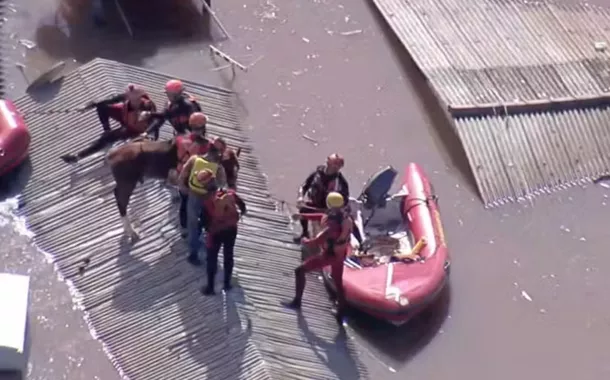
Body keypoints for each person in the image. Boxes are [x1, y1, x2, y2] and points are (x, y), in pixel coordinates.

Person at [283, 192, 353, 324]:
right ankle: (342, 312)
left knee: (300, 271)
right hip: (340, 254)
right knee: (338, 281)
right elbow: (322, 216)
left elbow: (317, 241)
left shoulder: (332, 226)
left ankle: (297, 302)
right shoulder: (343, 217)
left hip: (330, 255)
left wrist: (305, 241)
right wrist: (303, 215)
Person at [60, 84, 157, 164]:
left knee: (107, 138)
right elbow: (109, 100)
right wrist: (88, 106)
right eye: (127, 95)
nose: (126, 97)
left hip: (134, 129)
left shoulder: (148, 106)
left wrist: (149, 136)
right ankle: (107, 130)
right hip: (125, 117)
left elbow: (155, 123)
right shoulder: (128, 98)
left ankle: (77, 156)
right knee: (102, 106)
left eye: (129, 96)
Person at [178, 145, 227, 266]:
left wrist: (185, 190)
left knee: (192, 224)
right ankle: (205, 244)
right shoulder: (218, 167)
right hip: (209, 198)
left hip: (193, 195)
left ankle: (193, 253)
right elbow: (222, 183)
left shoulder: (194, 159)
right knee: (208, 222)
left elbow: (182, 175)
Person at [202, 187, 247, 295]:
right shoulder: (230, 194)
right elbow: (243, 207)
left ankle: (210, 287)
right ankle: (227, 284)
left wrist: (208, 229)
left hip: (216, 232)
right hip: (231, 230)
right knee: (228, 254)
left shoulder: (207, 202)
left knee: (212, 258)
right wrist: (238, 216)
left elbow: (205, 222)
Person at [295, 153, 349, 241]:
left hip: (328, 209)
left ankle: (325, 241)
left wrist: (335, 209)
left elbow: (345, 200)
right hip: (314, 204)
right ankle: (305, 233)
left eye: (338, 166)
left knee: (329, 226)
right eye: (334, 164)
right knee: (303, 210)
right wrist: (300, 197)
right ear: (327, 162)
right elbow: (304, 186)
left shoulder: (340, 181)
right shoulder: (317, 173)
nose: (335, 168)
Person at [173, 112, 213, 232]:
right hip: (199, 179)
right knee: (204, 203)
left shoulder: (180, 140)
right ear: (203, 127)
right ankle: (203, 226)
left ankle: (184, 228)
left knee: (184, 203)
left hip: (182, 177)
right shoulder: (207, 144)